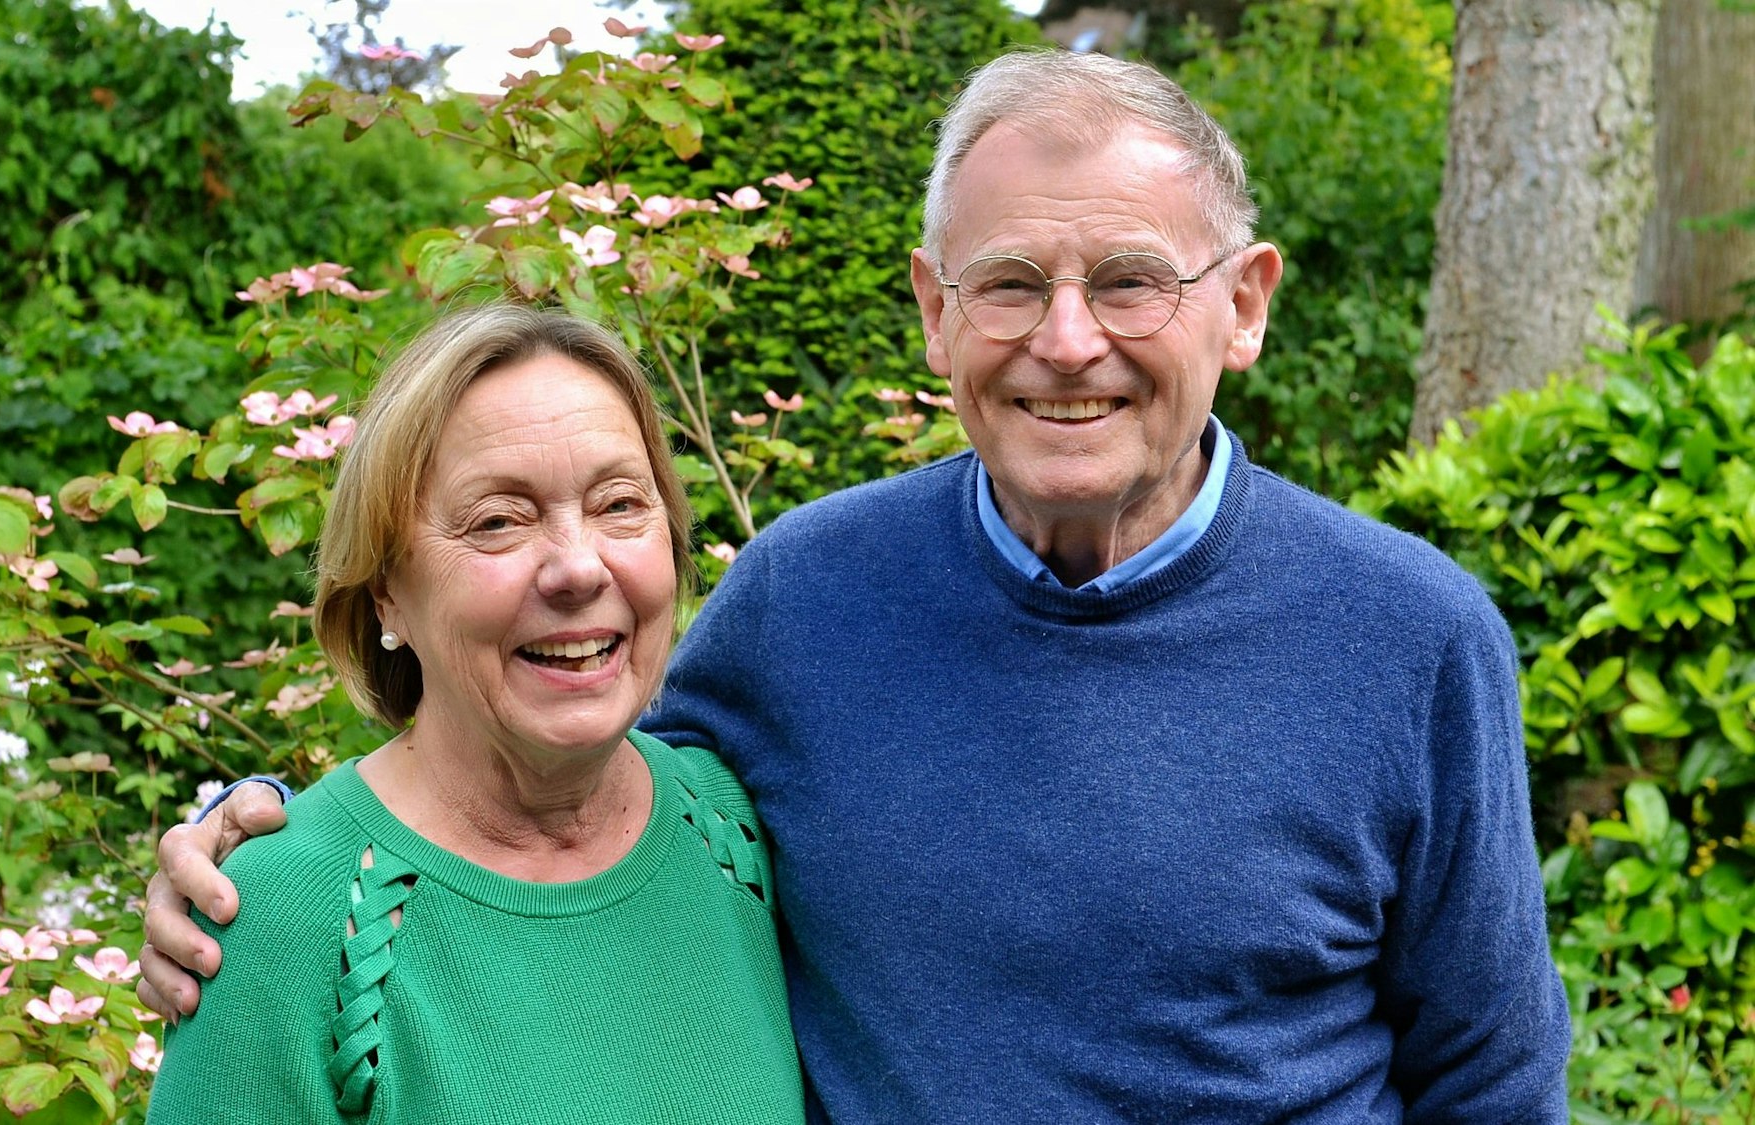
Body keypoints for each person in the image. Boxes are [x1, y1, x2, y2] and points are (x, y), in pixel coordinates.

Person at [141, 49, 1570, 1123]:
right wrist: (258, 851)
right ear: (936, 313)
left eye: (1132, 281)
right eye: (1009, 283)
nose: (1068, 341)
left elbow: (1491, 1083)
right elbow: (546, 777)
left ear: (1243, 304)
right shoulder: (806, 600)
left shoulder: (1410, 639)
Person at [142, 304, 804, 1124]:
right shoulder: (276, 924)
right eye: (498, 520)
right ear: (386, 589)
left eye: (619, 504)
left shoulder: (744, 833)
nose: (578, 567)